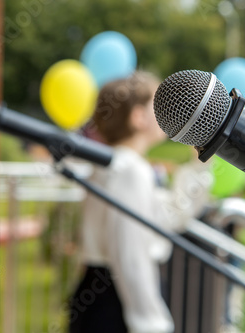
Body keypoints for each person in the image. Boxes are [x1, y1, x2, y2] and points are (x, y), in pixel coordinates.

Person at [69, 72, 195, 333]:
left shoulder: (113, 164)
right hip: (117, 301)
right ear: (138, 117)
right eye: (156, 104)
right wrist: (150, 322)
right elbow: (130, 255)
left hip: (102, 295)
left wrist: (197, 171)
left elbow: (162, 216)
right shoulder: (131, 171)